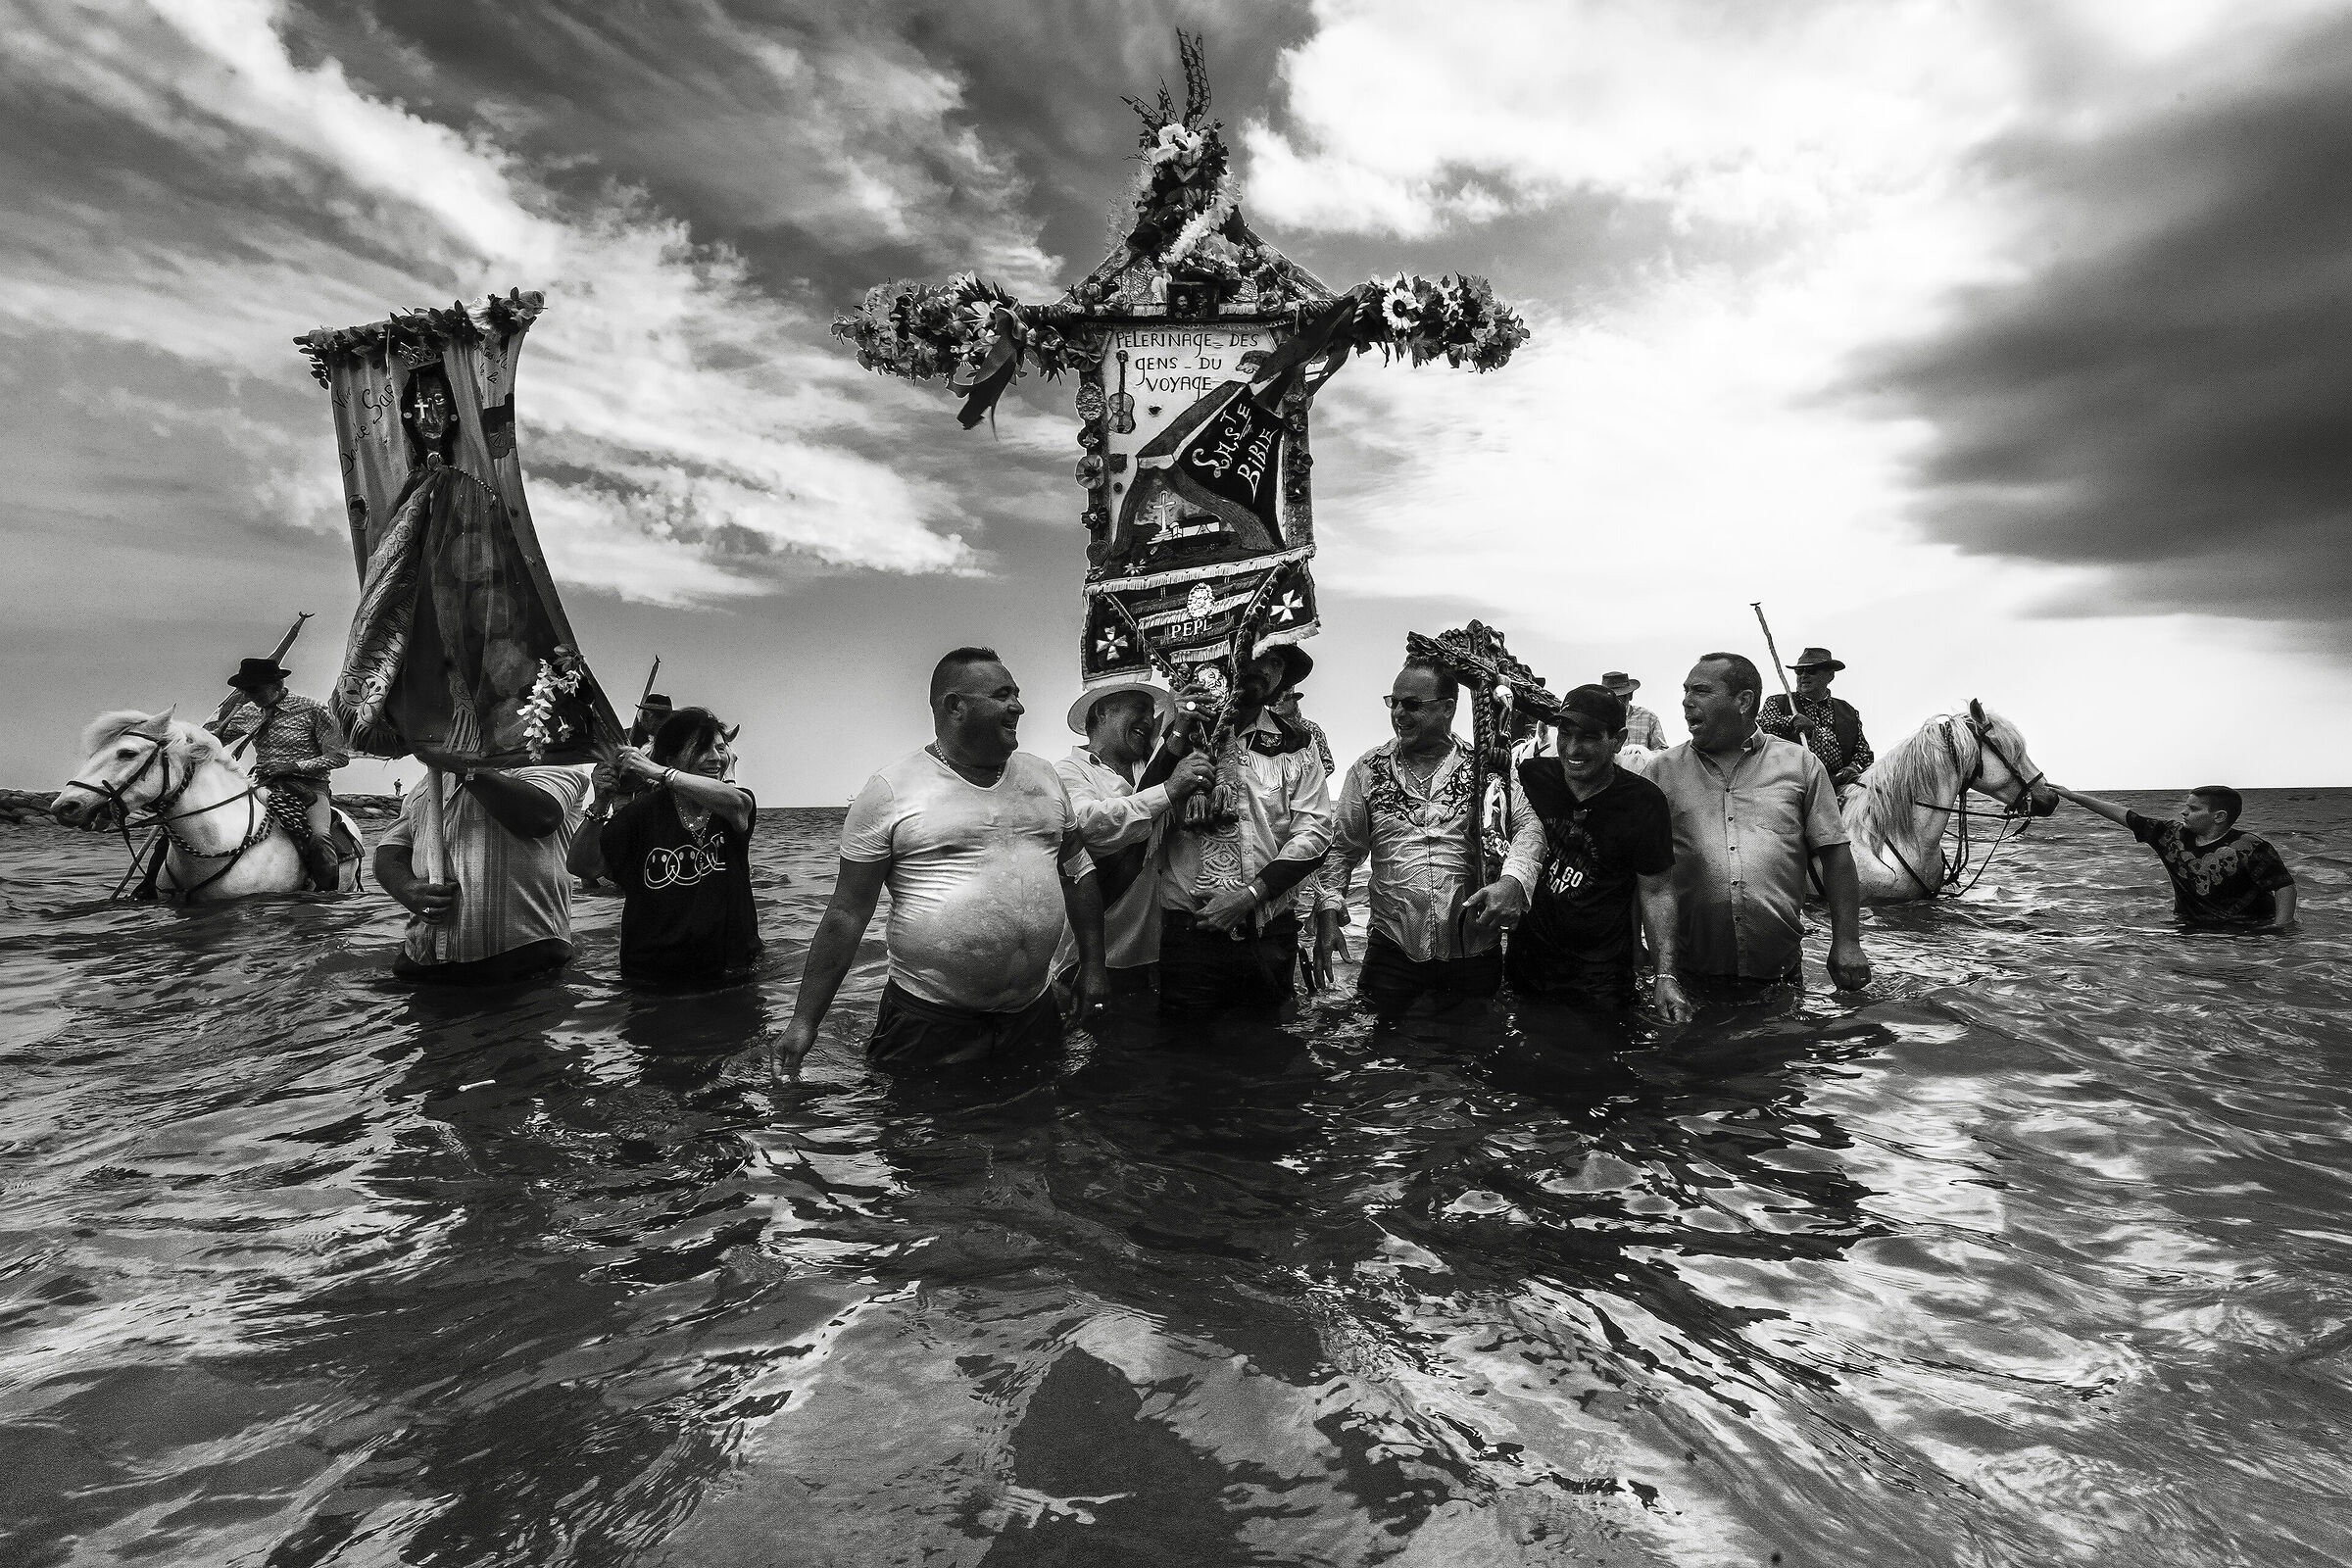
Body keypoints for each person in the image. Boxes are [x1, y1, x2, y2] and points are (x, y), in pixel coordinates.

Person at [773, 648, 1108, 1077]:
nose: (1018, 707)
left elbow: (1077, 872)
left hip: (1033, 1011)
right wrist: (804, 1022)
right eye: (1002, 695)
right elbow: (847, 913)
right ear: (955, 706)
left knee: (1037, 1112)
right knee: (921, 1118)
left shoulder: (1043, 777)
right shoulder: (891, 790)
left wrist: (1094, 966)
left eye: (1017, 694)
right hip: (929, 1018)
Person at [1321, 659, 1543, 1020]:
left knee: (1475, 1047)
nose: (1398, 714)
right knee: (1381, 1046)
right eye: (1393, 702)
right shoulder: (1368, 770)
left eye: (1411, 704)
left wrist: (1513, 881)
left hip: (1473, 949)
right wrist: (1329, 908)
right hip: (1392, 950)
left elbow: (1528, 826)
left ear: (1447, 708)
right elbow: (1343, 850)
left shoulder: (1484, 768)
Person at [1641, 653, 1870, 991]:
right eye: (1686, 691)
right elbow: (1640, 873)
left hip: (1779, 974)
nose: (1686, 701)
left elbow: (1836, 855)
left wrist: (1847, 942)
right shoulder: (1661, 771)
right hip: (1688, 976)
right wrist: (1649, 963)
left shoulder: (1803, 763)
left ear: (1743, 701)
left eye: (1701, 691)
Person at [1491, 684, 1690, 1021]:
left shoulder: (1643, 802)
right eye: (1565, 734)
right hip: (1527, 966)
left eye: (1589, 737)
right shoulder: (1532, 778)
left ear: (1618, 739)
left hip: (1602, 978)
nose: (1573, 748)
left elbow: (1656, 892)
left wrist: (1665, 977)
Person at [1158, 642, 1333, 1016]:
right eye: (1254, 653)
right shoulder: (1176, 733)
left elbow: (1315, 832)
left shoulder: (1298, 743)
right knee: (1185, 1046)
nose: (1263, 668)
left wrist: (1250, 896)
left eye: (1275, 661)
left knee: (1269, 1045)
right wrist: (1177, 735)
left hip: (1268, 931)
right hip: (1188, 935)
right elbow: (1142, 815)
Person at [374, 747, 594, 984]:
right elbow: (390, 848)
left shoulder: (546, 759)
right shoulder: (426, 785)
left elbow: (541, 816)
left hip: (526, 956)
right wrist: (406, 888)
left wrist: (460, 764)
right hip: (421, 958)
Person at [1055, 681, 1217, 994]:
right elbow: (1087, 825)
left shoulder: (1154, 766)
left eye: (1151, 712)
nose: (1148, 720)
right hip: (1091, 960)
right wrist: (1167, 791)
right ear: (1102, 712)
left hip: (1159, 956)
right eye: (1139, 709)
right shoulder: (1068, 772)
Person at [599, 707, 762, 988]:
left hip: (733, 969)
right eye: (701, 749)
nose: (715, 758)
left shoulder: (733, 806)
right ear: (671, 757)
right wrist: (599, 803)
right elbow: (584, 866)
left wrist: (657, 771)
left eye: (720, 748)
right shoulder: (640, 814)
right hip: (653, 977)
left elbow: (736, 802)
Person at [2048, 784, 2298, 929]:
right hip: (2191, 926)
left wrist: (2280, 928)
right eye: (2186, 806)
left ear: (2219, 817)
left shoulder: (2250, 846)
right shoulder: (2170, 835)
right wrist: (2073, 796)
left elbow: (2284, 886)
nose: (2183, 812)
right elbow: (2126, 816)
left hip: (2246, 929)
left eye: (2193, 809)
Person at [205, 656, 349, 890]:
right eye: (245, 690)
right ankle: (153, 888)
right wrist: (216, 724)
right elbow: (212, 741)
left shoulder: (313, 709)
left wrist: (293, 766)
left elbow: (339, 757)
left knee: (319, 838)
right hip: (262, 784)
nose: (250, 696)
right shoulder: (246, 712)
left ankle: (328, 896)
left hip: (310, 787)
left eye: (255, 689)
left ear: (277, 685)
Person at [574, 693, 676, 889]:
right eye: (656, 716)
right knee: (610, 843)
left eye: (664, 716)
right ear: (644, 716)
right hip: (623, 800)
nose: (661, 721)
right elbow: (603, 768)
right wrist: (613, 769)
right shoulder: (622, 739)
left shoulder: (672, 745)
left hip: (658, 802)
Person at [1758, 647, 1874, 791]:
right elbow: (1758, 728)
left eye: (1811, 670)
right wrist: (1790, 721)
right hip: (1791, 786)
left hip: (1840, 788)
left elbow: (1864, 754)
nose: (1803, 675)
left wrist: (1853, 768)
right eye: (1799, 671)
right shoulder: (1778, 703)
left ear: (1830, 675)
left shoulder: (1848, 712)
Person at [1602, 672, 1667, 753]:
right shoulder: (1595, 718)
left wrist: (1641, 754)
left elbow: (1662, 751)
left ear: (1630, 695)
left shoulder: (1648, 717)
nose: (1615, 702)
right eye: (1611, 698)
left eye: (1620, 697)